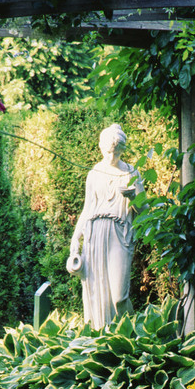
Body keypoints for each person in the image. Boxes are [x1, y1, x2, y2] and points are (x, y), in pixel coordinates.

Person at [67, 123, 143, 330]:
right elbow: (87, 208)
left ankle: (132, 336)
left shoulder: (131, 173)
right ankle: (101, 337)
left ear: (122, 150)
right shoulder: (94, 173)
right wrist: (76, 239)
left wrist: (134, 197)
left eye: (116, 153)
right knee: (96, 289)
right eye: (108, 152)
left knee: (119, 296)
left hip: (121, 233)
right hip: (96, 233)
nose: (111, 157)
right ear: (101, 149)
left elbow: (144, 212)